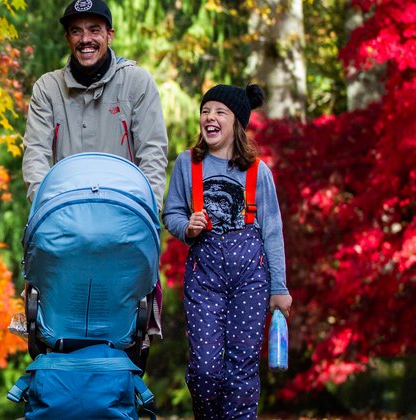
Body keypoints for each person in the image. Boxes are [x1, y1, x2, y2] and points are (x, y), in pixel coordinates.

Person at [162, 84, 293, 419]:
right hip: (204, 279)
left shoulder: (257, 171)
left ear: (236, 122)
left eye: (220, 112)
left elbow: (273, 231)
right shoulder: (186, 164)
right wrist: (187, 228)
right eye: (206, 111)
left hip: (251, 279)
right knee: (206, 370)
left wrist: (279, 288)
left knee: (242, 372)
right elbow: (171, 214)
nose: (210, 117)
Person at [22, 0, 169, 207]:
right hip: (66, 211)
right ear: (67, 38)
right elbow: (35, 154)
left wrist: (147, 209)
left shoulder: (137, 83)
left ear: (109, 35)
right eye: (76, 31)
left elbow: (152, 153)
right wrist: (46, 207)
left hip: (124, 210)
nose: (85, 39)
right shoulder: (47, 88)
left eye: (94, 30)